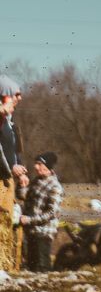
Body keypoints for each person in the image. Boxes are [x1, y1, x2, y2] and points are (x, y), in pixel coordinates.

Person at [18, 152, 62, 273]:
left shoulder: (55, 186)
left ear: (47, 166)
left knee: (42, 268)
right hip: (31, 231)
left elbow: (51, 213)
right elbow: (24, 197)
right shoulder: (37, 181)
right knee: (31, 267)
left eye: (39, 164)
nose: (35, 167)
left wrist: (29, 220)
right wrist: (22, 186)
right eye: (36, 163)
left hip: (43, 233)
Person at [0, 76, 23, 273]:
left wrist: (19, 169)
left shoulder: (9, 121)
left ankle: (4, 265)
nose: (20, 98)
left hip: (7, 178)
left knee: (7, 221)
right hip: (1, 177)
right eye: (16, 94)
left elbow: (14, 150)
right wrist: (10, 169)